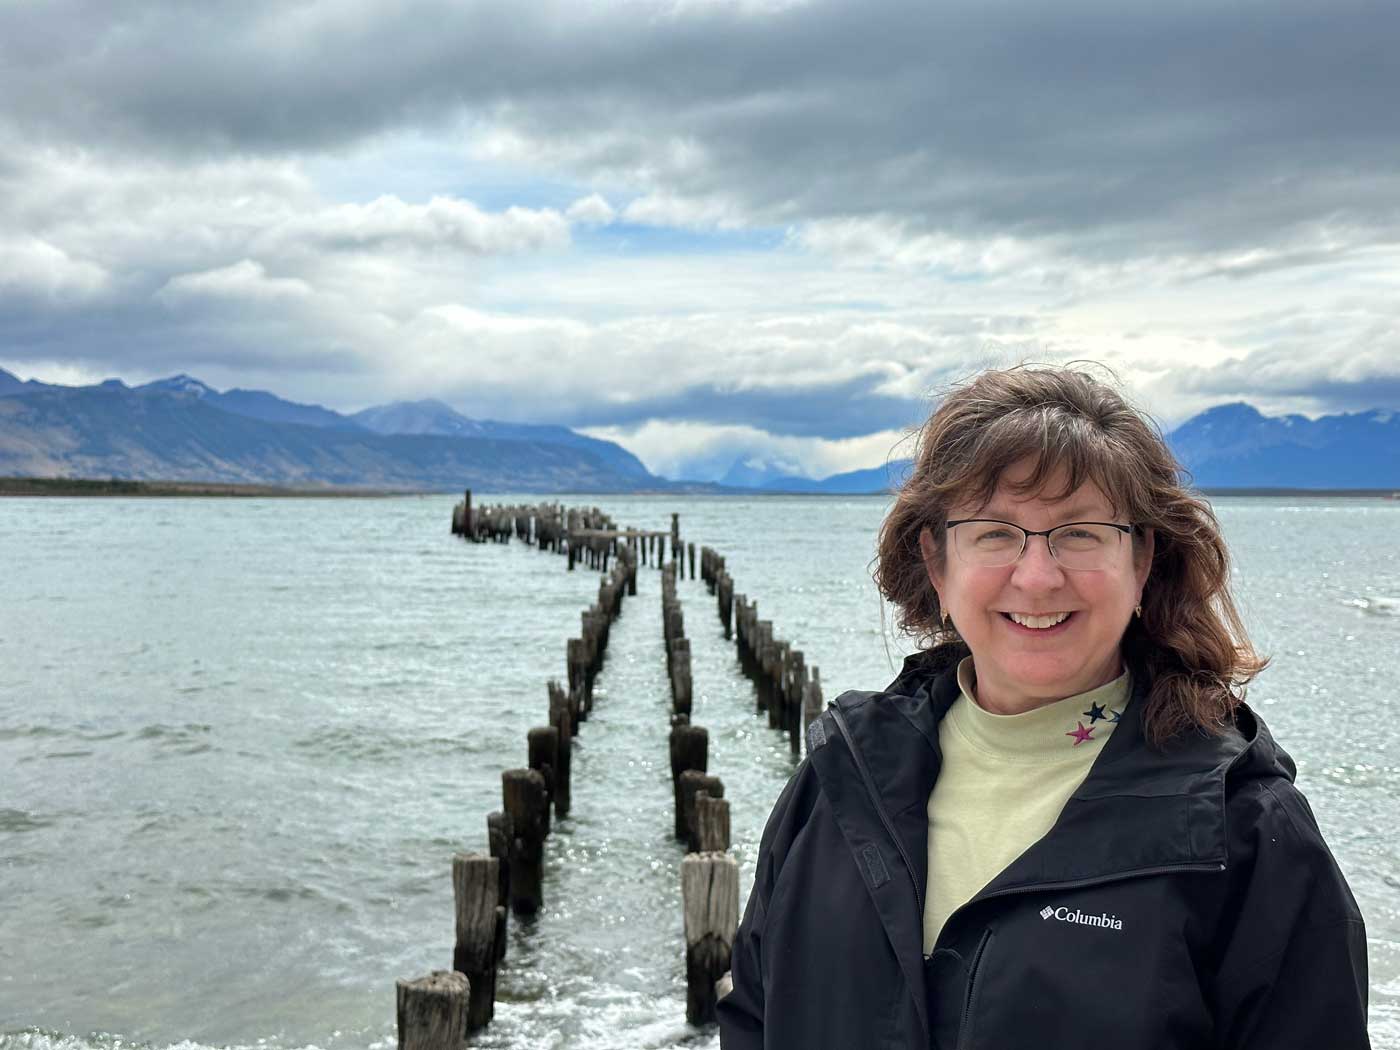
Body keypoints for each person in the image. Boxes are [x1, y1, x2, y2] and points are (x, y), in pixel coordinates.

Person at [716, 366, 1369, 1049]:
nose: (1036, 576)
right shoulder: (842, 780)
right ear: (938, 564)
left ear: (1141, 560)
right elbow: (755, 1018)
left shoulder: (1242, 828)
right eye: (995, 533)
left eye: (1079, 533)